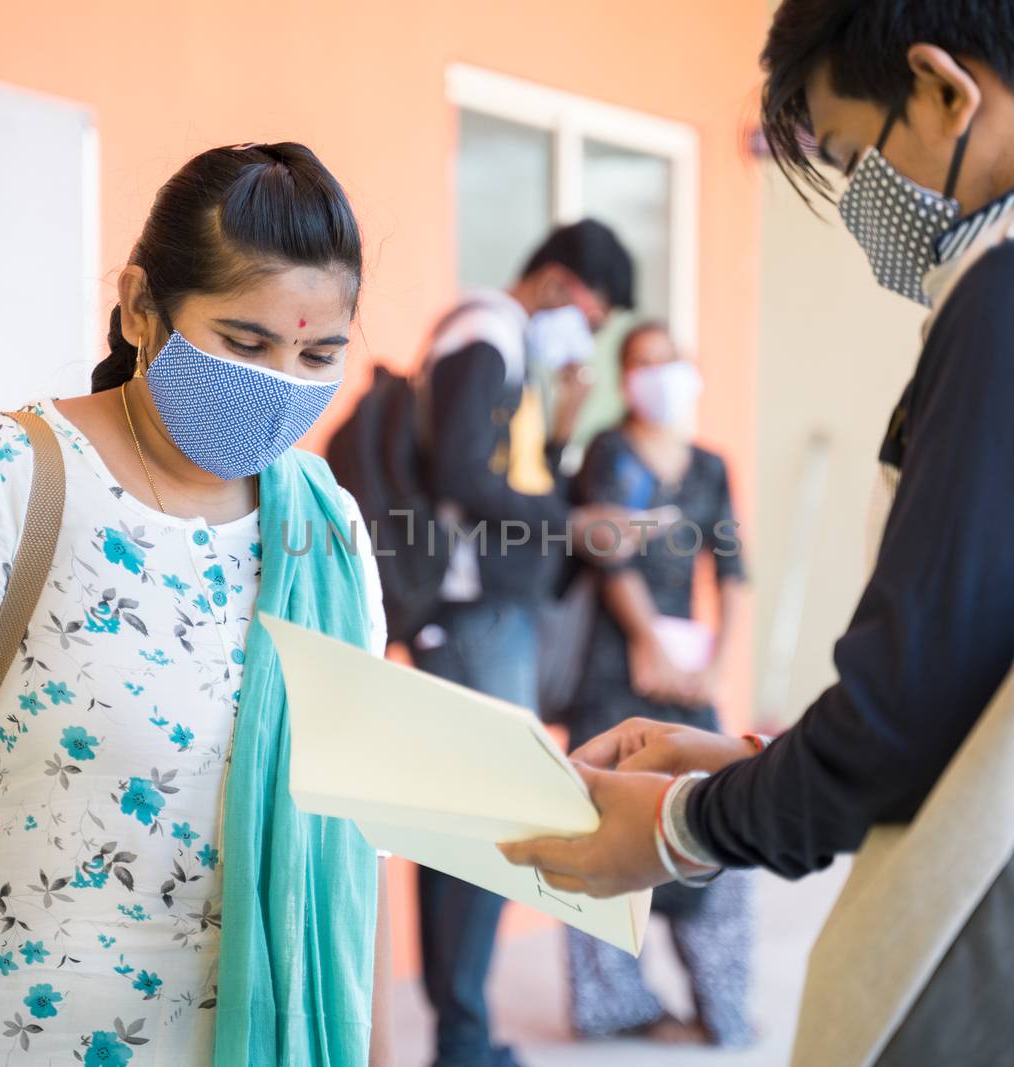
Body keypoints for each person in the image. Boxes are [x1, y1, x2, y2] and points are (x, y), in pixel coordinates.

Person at [503, 0, 1014, 938]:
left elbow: (910, 721)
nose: (861, 205)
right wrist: (759, 760)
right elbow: (967, 682)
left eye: (849, 157)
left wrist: (679, 825)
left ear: (941, 91)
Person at [0, 143, 393, 1066]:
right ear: (138, 305)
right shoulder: (2, 479)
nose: (282, 382)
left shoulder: (322, 531)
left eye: (318, 352)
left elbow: (356, 842)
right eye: (245, 343)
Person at [413, 219, 635, 1067]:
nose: (587, 330)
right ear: (553, 283)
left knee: (470, 823)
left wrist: (566, 432)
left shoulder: (506, 346)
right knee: (486, 824)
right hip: (478, 618)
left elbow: (510, 474)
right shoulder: (484, 333)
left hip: (494, 615)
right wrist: (573, 522)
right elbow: (462, 477)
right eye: (589, 309)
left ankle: (462, 1033)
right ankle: (463, 1041)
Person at [563, 323, 752, 1048]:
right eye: (642, 362)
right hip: (618, 668)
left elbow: (731, 574)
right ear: (625, 376)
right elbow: (612, 558)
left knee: (716, 817)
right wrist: (645, 641)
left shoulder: (710, 466)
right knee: (599, 817)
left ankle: (721, 1003)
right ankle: (617, 1006)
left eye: (669, 360)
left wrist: (714, 667)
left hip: (688, 676)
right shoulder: (608, 453)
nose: (658, 374)